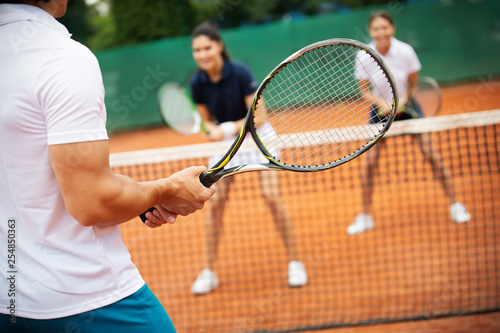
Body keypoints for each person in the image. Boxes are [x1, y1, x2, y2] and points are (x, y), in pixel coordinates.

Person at [0, 1, 215, 331]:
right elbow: (93, 201)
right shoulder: (61, 57)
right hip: (86, 302)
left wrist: (145, 196)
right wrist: (169, 189)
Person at [188, 21, 308, 295]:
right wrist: (210, 131)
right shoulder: (197, 82)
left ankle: (295, 262)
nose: (202, 54)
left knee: (271, 196)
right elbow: (206, 121)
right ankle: (208, 271)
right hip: (228, 144)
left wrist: (226, 128)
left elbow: (260, 115)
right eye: (197, 50)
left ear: (218, 46)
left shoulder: (240, 72)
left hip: (258, 136)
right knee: (214, 205)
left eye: (207, 47)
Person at [346, 10, 470, 235]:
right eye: (376, 28)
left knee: (431, 154)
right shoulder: (364, 55)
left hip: (408, 107)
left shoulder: (405, 51)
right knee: (369, 164)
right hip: (379, 111)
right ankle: (365, 216)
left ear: (392, 28)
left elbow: (414, 83)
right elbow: (364, 91)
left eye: (385, 27)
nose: (381, 32)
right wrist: (382, 103)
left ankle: (455, 204)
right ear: (370, 31)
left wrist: (402, 100)